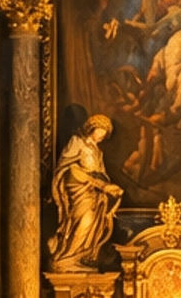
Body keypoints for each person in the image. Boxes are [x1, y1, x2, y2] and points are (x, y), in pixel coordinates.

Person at [47, 115, 124, 268]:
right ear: (91, 128)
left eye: (104, 134)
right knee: (84, 221)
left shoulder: (97, 151)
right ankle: (66, 257)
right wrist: (99, 184)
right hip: (79, 191)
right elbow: (69, 168)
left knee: (94, 224)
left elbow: (100, 173)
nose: (101, 135)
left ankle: (82, 256)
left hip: (94, 194)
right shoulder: (77, 142)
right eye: (100, 131)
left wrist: (108, 187)